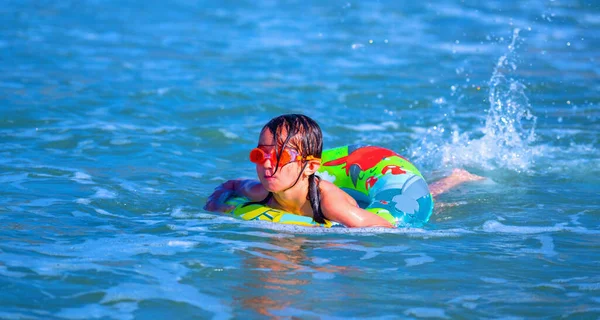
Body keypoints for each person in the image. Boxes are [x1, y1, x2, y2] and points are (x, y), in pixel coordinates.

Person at [204, 114, 483, 228]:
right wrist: (216, 205)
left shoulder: (329, 201)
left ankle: (455, 178)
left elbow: (383, 226)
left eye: (279, 156)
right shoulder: (260, 191)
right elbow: (229, 185)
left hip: (367, 204)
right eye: (260, 154)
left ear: (311, 166)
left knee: (435, 200)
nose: (267, 163)